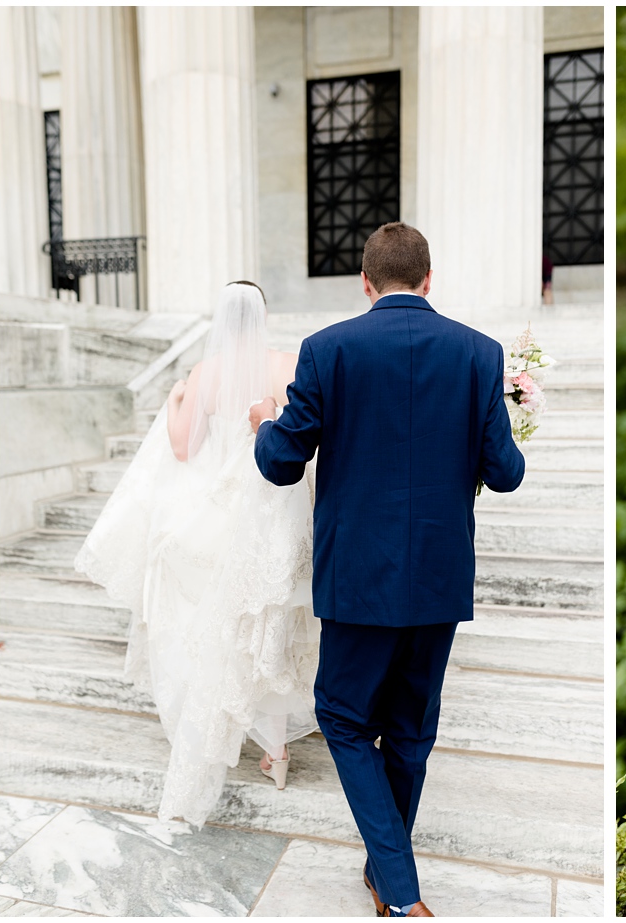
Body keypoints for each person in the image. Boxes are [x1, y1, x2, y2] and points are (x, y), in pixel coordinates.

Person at [253, 223, 525, 917]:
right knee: (408, 729)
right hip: (439, 569)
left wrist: (264, 422)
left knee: (342, 716)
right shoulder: (478, 353)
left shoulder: (327, 350)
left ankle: (400, 894)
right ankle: (388, 877)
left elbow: (281, 462)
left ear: (366, 284)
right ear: (429, 280)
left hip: (359, 573)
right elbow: (507, 472)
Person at [75, 281, 319, 827]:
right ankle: (277, 754)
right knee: (268, 631)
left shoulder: (206, 374)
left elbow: (184, 449)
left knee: (202, 622)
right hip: (274, 509)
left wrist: (176, 399)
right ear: (263, 314)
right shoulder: (290, 363)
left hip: (214, 514)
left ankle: (201, 717)